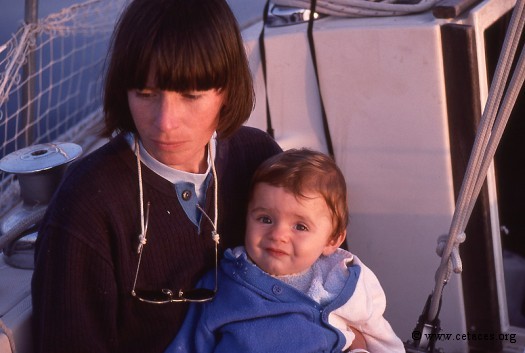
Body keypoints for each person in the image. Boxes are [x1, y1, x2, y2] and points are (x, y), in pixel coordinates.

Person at [30, 0, 282, 352]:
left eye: (191, 95)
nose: (165, 123)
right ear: (123, 91)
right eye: (145, 95)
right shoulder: (85, 207)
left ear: (227, 89)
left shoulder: (260, 159)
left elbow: (329, 279)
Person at [165, 149, 405, 353]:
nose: (278, 234)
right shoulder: (221, 284)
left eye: (300, 226)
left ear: (332, 239)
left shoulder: (343, 281)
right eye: (265, 219)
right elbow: (187, 345)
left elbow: (382, 339)